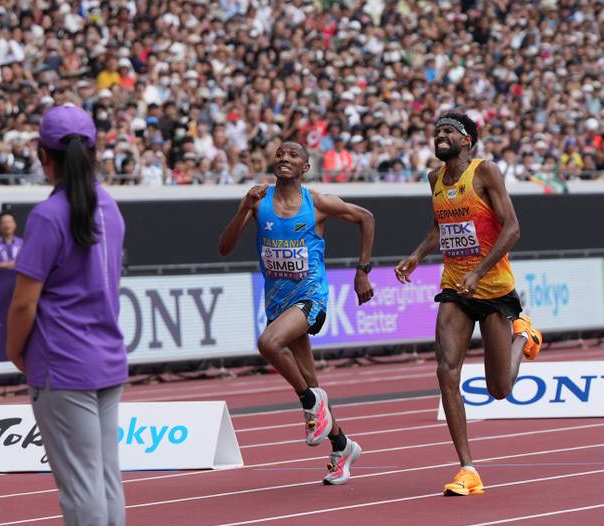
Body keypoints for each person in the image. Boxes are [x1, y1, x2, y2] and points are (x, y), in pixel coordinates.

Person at [6, 104, 127, 526]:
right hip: (105, 356)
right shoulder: (111, 208)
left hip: (62, 361)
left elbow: (24, 302)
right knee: (104, 479)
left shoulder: (48, 216)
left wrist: (15, 351)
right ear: (94, 152)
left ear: (43, 157)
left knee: (81, 483)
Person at [394, 112, 542, 497]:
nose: (440, 135)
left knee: (499, 389)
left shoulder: (485, 172)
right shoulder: (434, 179)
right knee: (446, 371)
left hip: (493, 290)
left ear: (467, 141)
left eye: (449, 131)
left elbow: (513, 228)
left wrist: (480, 271)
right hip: (455, 289)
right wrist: (416, 255)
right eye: (437, 130)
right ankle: (467, 468)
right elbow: (440, 227)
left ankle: (521, 336)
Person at [218, 141, 375, 485]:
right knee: (312, 381)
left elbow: (366, 218)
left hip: (311, 298)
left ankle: (308, 401)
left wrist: (362, 270)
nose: (284, 158)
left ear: (305, 168)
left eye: (293, 155)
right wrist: (243, 206)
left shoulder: (316, 202)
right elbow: (224, 248)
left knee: (269, 343)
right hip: (277, 302)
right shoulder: (259, 202)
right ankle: (342, 446)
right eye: (280, 154)